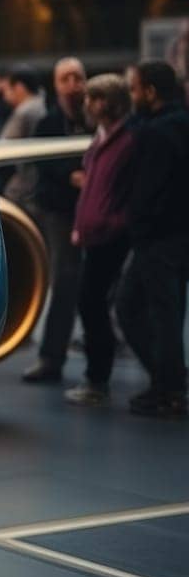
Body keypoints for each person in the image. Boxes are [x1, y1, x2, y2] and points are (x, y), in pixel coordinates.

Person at [114, 61, 189, 416]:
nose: (132, 96)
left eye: (135, 89)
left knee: (134, 308)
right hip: (179, 235)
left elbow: (145, 192)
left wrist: (135, 224)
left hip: (156, 239)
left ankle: (169, 386)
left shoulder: (154, 133)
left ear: (150, 92)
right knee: (170, 313)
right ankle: (170, 382)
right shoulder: (181, 124)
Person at [64, 74, 136, 405]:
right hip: (94, 233)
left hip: (109, 236)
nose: (88, 104)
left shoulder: (127, 142)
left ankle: (97, 379)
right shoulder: (102, 139)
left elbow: (128, 194)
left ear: (110, 103)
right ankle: (96, 377)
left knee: (93, 304)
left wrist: (110, 223)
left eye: (95, 98)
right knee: (91, 304)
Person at [22, 58, 86, 384]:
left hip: (94, 211)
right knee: (64, 280)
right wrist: (70, 175)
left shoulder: (94, 119)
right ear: (56, 85)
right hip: (61, 210)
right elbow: (43, 165)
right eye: (66, 79)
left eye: (78, 77)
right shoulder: (47, 123)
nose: (73, 84)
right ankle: (51, 357)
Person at [0, 67, 47, 210]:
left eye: (7, 89)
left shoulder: (25, 111)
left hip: (28, 186)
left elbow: (3, 145)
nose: (4, 95)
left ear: (19, 87)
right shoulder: (42, 103)